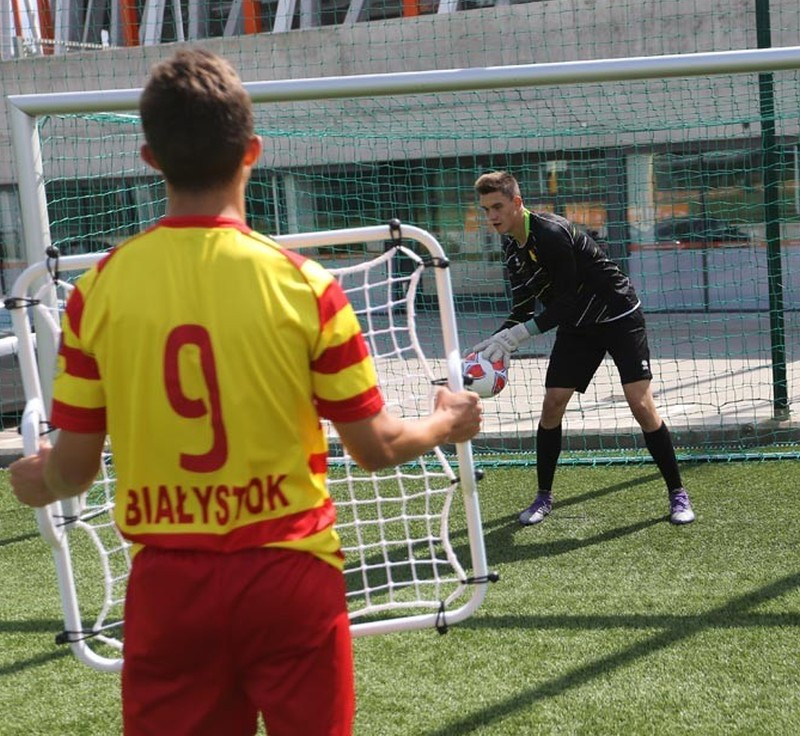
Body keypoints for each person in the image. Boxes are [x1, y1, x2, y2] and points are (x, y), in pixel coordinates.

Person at [9, 48, 482, 736]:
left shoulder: (97, 292)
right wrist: (446, 421)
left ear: (149, 158)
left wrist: (39, 478)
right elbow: (377, 447)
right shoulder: (307, 287)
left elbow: (74, 469)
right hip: (289, 573)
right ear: (252, 152)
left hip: (169, 586)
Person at [469, 170, 694, 527]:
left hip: (618, 314)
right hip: (579, 326)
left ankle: (677, 493)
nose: (491, 216)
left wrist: (519, 336)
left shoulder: (551, 234)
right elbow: (524, 308)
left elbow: (566, 304)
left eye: (497, 206)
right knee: (552, 404)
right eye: (485, 209)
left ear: (516, 202)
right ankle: (543, 496)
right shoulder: (511, 246)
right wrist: (494, 344)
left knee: (640, 403)